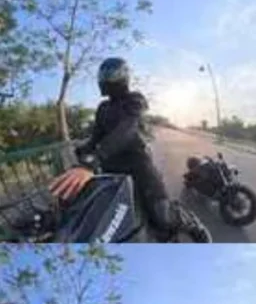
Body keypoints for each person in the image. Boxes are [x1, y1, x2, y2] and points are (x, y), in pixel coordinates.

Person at [47, 57, 208, 242]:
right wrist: (80, 153)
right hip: (111, 172)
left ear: (123, 76)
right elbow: (96, 137)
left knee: (162, 216)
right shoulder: (103, 108)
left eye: (110, 74)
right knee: (99, 221)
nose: (105, 79)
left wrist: (94, 159)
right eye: (103, 75)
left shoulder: (135, 99)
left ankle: (187, 220)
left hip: (138, 168)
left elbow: (127, 130)